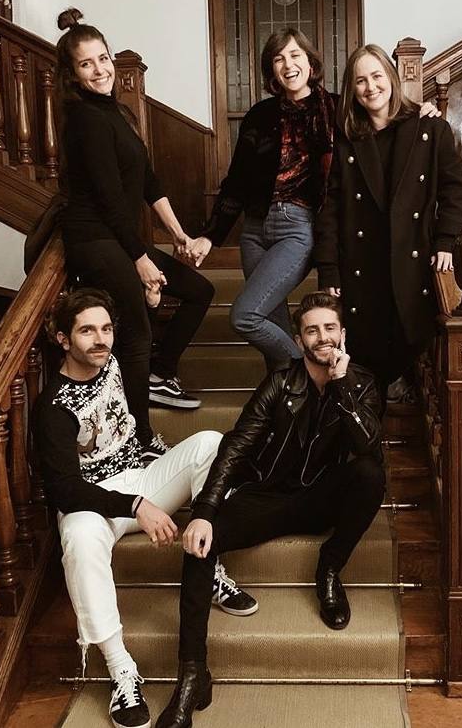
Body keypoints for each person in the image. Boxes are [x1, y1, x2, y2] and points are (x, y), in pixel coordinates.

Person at [155, 292, 385, 728]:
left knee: (370, 474)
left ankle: (330, 568)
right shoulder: (281, 382)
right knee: (200, 545)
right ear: (299, 341)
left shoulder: (362, 383)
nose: (323, 338)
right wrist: (203, 510)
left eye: (330, 328)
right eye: (312, 330)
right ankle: (192, 674)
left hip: (322, 499)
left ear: (342, 334)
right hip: (267, 497)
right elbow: (237, 445)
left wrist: (340, 384)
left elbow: (368, 445)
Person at [33, 288, 257, 728]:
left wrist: (155, 470)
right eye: (87, 331)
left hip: (139, 477)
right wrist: (135, 505)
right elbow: (64, 490)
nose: (101, 339)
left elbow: (128, 429)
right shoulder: (53, 409)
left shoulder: (111, 362)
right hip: (94, 501)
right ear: (63, 339)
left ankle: (209, 565)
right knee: (76, 537)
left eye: (106, 328)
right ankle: (120, 668)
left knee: (211, 443)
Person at [55, 7, 213, 457]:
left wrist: (179, 236)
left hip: (121, 237)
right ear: (73, 73)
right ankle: (139, 441)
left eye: (103, 58)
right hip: (94, 238)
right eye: (87, 64)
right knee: (137, 331)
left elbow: (148, 182)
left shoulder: (120, 114)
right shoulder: (84, 119)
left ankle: (162, 372)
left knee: (198, 290)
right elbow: (106, 198)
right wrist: (141, 260)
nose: (100, 69)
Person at [314, 44, 462, 397]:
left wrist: (445, 240)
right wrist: (328, 268)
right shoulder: (347, 141)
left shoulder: (430, 129)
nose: (370, 87)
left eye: (377, 76)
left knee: (411, 350)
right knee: (365, 363)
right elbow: (330, 209)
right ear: (351, 90)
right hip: (362, 266)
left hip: (413, 261)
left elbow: (455, 193)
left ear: (392, 78)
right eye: (360, 81)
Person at [186, 28, 336, 370]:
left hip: (298, 227)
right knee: (273, 327)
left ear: (310, 62)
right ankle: (290, 411)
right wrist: (211, 235)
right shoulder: (260, 115)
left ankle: (309, 371)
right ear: (272, 70)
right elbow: (237, 181)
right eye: (278, 58)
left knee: (246, 315)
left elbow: (384, 118)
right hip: (254, 230)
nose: (288, 64)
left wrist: (422, 110)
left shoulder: (335, 110)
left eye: (295, 55)